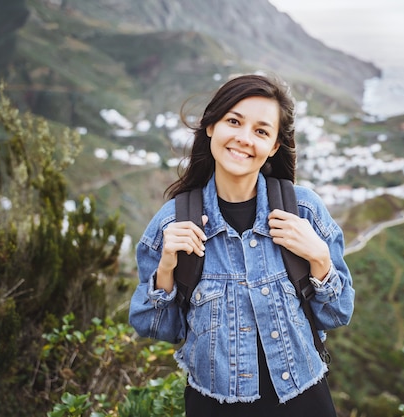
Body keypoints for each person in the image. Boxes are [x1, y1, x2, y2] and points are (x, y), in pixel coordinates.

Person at [129, 74, 355, 417]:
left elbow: (338, 314)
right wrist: (165, 270)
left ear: (274, 146)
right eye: (233, 121)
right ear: (211, 127)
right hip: (213, 406)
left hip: (305, 401)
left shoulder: (304, 211)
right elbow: (157, 328)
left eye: (261, 131)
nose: (244, 138)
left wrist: (321, 259)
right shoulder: (172, 223)